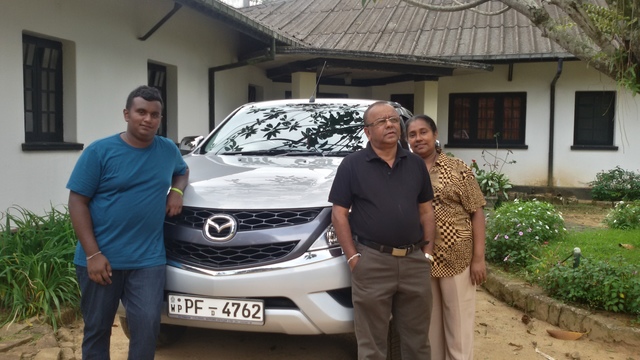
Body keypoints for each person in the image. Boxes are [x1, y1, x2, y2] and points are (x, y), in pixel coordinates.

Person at [67, 85, 189, 360]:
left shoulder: (167, 149)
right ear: (127, 114)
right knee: (97, 330)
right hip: (102, 261)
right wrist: (93, 254)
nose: (148, 119)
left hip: (148, 260)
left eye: (155, 115)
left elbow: (182, 170)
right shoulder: (100, 152)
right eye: (141, 112)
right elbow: (77, 202)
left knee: (147, 328)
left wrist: (176, 191)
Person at [329, 101, 436, 360]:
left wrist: (428, 254)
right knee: (372, 344)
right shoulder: (352, 165)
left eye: (392, 119)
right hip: (372, 261)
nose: (390, 124)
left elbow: (426, 211)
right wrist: (353, 258)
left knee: (417, 341)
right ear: (367, 132)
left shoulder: (415, 164)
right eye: (381, 121)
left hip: (413, 261)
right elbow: (339, 214)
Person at [406, 115, 487, 360]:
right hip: (422, 257)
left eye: (423, 132)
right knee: (430, 325)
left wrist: (478, 259)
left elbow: (477, 212)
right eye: (412, 134)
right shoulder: (405, 170)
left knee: (458, 322)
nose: (418, 138)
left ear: (435, 134)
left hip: (457, 256)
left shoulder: (457, 168)